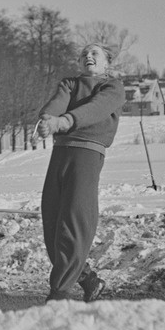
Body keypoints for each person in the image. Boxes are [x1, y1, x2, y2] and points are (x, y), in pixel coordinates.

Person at [37, 43, 125, 303]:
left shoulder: (113, 88)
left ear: (106, 62)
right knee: (52, 226)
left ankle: (59, 294)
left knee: (74, 223)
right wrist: (47, 118)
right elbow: (57, 103)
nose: (88, 56)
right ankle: (89, 279)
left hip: (86, 154)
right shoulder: (70, 83)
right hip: (60, 153)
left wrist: (63, 122)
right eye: (85, 53)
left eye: (94, 53)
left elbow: (94, 109)